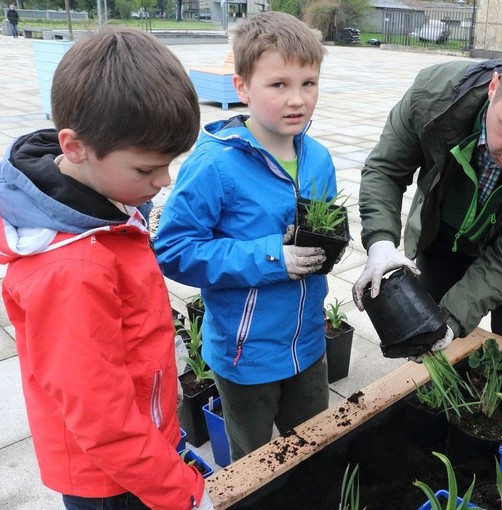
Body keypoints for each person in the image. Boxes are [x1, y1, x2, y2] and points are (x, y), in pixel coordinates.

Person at [0, 29, 213, 509]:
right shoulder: (71, 268)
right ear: (73, 147)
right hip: (109, 479)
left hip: (141, 444)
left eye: (169, 163)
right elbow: (103, 420)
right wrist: (184, 495)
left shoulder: (102, 201)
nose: (163, 182)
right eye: (146, 170)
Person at [154, 11, 334, 461]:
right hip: (245, 355)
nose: (297, 99)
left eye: (308, 83)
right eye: (279, 85)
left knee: (314, 450)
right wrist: (273, 255)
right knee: (254, 462)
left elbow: (323, 232)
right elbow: (175, 251)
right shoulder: (215, 165)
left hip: (309, 344)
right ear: (242, 88)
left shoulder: (319, 159)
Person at [352, 44, 502, 350]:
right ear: (494, 87)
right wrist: (381, 241)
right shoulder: (432, 97)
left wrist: (453, 321)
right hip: (445, 229)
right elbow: (385, 170)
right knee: (425, 334)